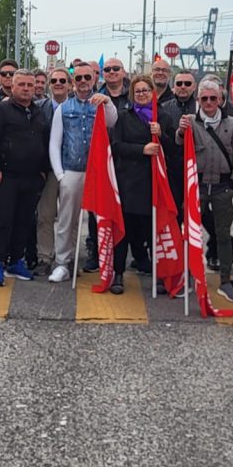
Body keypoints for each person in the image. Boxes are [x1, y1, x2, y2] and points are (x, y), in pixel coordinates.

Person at [177, 80, 233, 302]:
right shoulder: (189, 121)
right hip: (196, 186)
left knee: (223, 235)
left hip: (222, 187)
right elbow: (180, 143)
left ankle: (225, 281)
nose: (208, 102)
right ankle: (188, 277)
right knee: (190, 234)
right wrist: (181, 131)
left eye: (213, 98)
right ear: (197, 100)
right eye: (204, 98)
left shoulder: (232, 124)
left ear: (220, 99)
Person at [46, 62, 116, 283]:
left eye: (87, 77)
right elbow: (54, 143)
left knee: (104, 219)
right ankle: (63, 263)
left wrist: (108, 102)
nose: (83, 82)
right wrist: (60, 175)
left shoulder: (102, 105)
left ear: (94, 79)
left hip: (98, 173)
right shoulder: (63, 109)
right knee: (67, 219)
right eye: (78, 78)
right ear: (72, 82)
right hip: (72, 171)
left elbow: (113, 122)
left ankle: (107, 263)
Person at [0, 71, 51, 287]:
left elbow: (45, 141)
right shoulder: (0, 110)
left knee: (24, 221)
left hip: (31, 177)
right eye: (21, 84)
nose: (26, 88)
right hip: (5, 176)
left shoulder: (39, 112)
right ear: (12, 87)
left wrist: (43, 171)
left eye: (30, 85)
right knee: (3, 221)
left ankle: (16, 261)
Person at [109, 75, 162, 293]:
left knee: (152, 231)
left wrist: (162, 136)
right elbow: (116, 146)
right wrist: (142, 149)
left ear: (152, 93)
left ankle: (160, 275)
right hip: (129, 182)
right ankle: (118, 274)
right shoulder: (124, 117)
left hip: (153, 184)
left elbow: (173, 147)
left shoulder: (162, 117)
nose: (141, 94)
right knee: (124, 230)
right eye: (137, 91)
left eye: (145, 90)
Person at [30, 68, 72, 275]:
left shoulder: (79, 107)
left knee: (69, 216)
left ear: (69, 85)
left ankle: (67, 258)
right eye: (54, 80)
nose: (58, 83)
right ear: (48, 84)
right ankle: (44, 257)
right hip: (47, 170)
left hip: (72, 169)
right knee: (45, 216)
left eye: (62, 80)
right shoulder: (37, 108)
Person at [158, 70, 197, 211]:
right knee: (174, 210)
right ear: (174, 86)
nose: (183, 87)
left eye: (187, 83)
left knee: (199, 211)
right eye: (179, 83)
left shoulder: (202, 107)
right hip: (171, 168)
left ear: (194, 86)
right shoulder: (163, 108)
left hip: (196, 168)